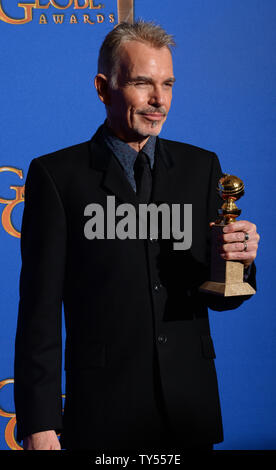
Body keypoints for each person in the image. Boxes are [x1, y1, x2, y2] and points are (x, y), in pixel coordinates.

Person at [14, 21, 260, 451]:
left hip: (189, 411)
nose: (158, 100)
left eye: (167, 84)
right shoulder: (57, 176)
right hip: (103, 413)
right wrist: (39, 422)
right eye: (142, 83)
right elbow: (39, 310)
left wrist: (239, 260)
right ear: (102, 87)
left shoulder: (202, 168)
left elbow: (226, 297)